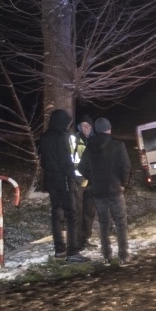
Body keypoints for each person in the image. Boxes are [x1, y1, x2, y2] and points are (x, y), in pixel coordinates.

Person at [77, 117, 135, 266]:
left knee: (104, 224)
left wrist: (93, 179)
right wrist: (123, 183)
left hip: (98, 191)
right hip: (115, 190)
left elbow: (81, 168)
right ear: (109, 129)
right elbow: (126, 167)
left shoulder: (89, 147)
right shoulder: (118, 145)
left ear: (96, 129)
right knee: (121, 223)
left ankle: (106, 256)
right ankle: (123, 255)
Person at [38, 109, 86, 263]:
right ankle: (73, 251)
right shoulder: (62, 137)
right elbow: (66, 162)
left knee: (56, 215)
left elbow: (43, 162)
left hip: (51, 183)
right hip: (64, 182)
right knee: (72, 215)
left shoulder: (44, 137)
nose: (68, 126)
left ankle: (59, 249)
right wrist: (76, 178)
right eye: (68, 123)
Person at [70, 115, 97, 250]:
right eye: (83, 125)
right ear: (79, 128)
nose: (86, 128)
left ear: (92, 128)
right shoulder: (73, 141)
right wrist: (76, 178)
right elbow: (68, 162)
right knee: (78, 213)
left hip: (92, 183)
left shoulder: (95, 141)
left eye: (88, 126)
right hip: (78, 183)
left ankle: (86, 238)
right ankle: (77, 242)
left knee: (89, 212)